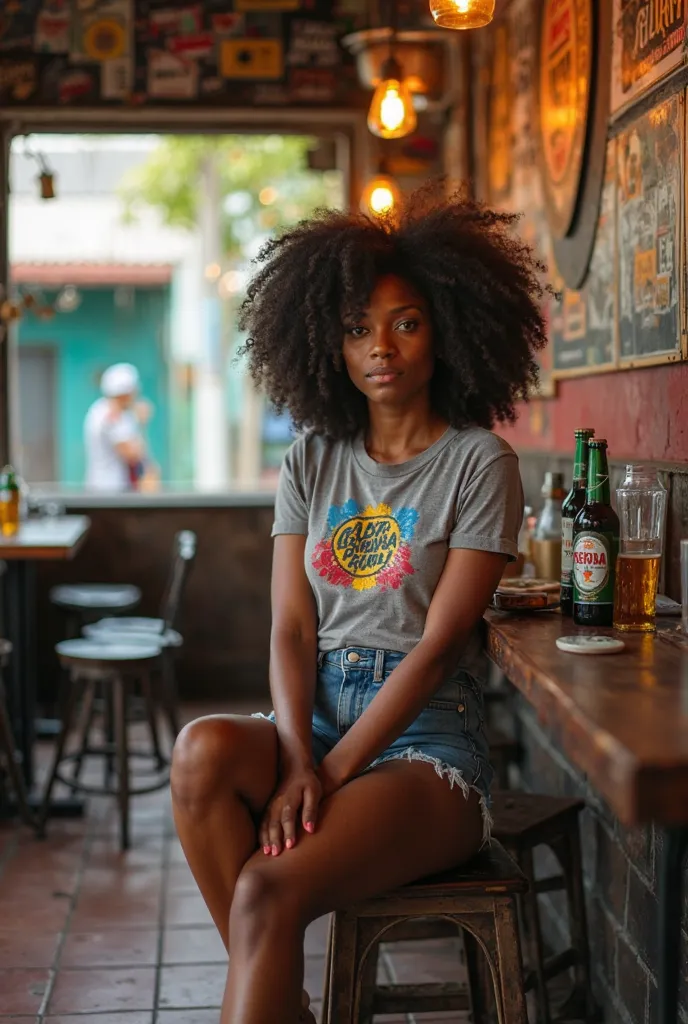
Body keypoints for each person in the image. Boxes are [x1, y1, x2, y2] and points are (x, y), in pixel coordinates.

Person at [170, 187, 549, 1024]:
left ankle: (276, 995)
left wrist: (327, 774)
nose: (381, 347)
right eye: (356, 329)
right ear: (327, 346)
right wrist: (301, 755)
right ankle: (279, 1000)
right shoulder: (311, 459)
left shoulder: (479, 463)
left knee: (267, 890)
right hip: (316, 716)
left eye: (405, 322)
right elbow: (292, 627)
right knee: (200, 752)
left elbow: (441, 646)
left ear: (447, 329)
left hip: (424, 742)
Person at [83, 363, 153, 492]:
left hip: (110, 487)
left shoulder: (103, 409)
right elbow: (132, 455)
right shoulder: (111, 415)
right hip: (110, 490)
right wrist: (142, 424)